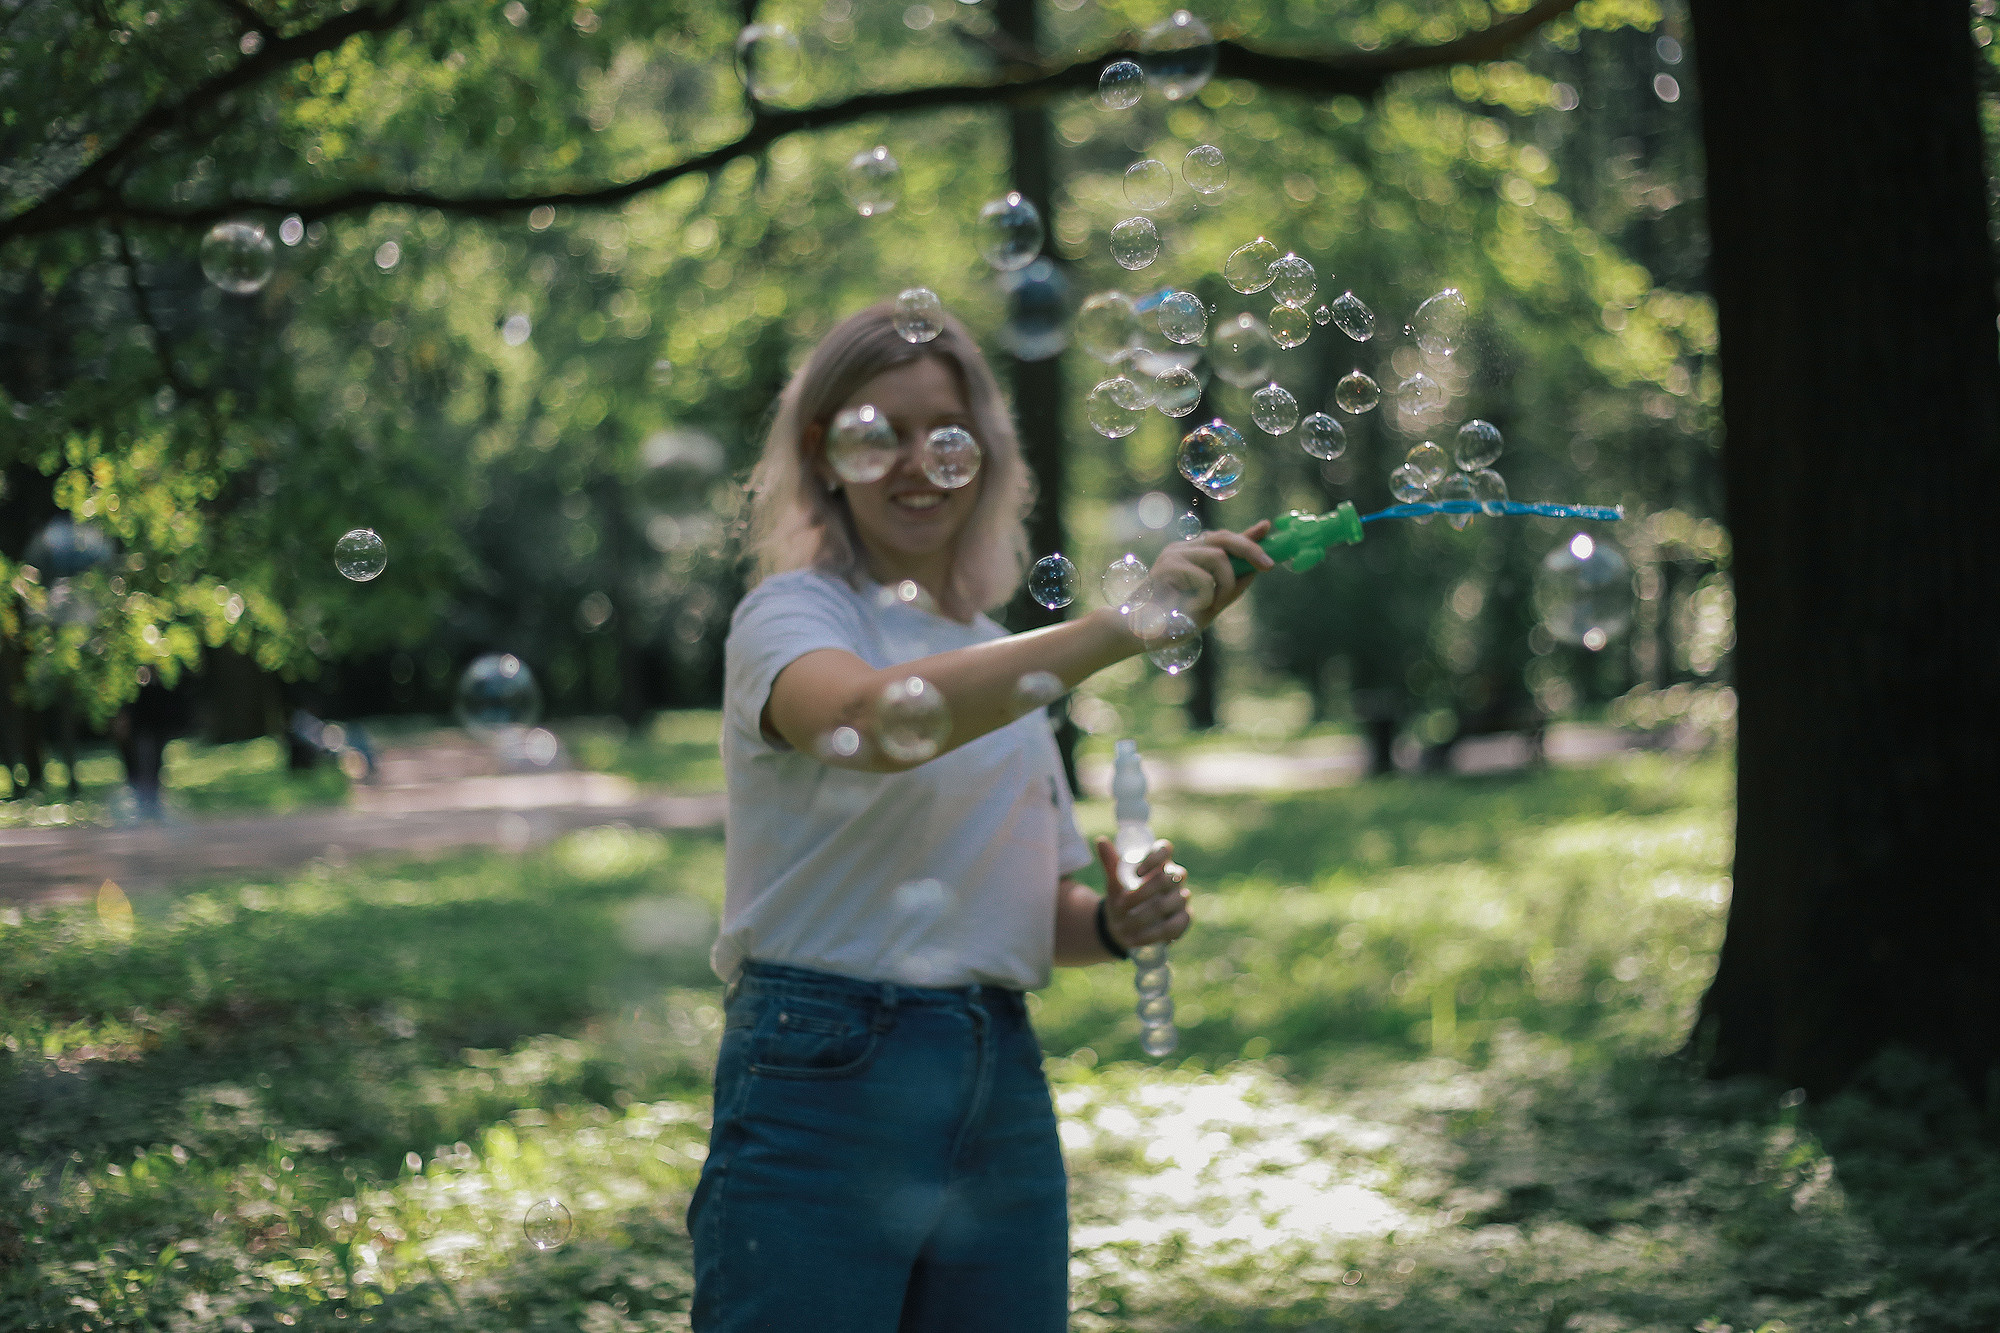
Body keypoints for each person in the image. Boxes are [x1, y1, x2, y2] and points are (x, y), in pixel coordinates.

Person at [688, 298, 1273, 1333]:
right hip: (821, 1069)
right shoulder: (794, 613)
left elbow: (1020, 904)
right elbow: (867, 723)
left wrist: (1107, 921)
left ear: (983, 456)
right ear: (824, 453)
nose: (915, 460)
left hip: (995, 1069)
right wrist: (1123, 622)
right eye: (880, 433)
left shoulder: (994, 646)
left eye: (942, 435)